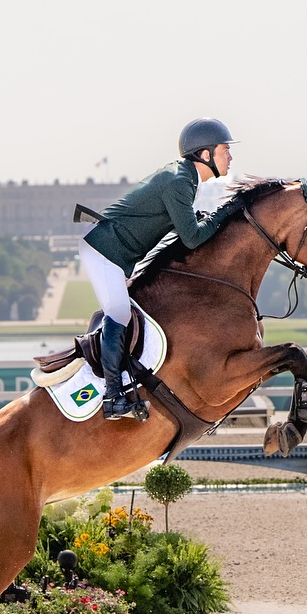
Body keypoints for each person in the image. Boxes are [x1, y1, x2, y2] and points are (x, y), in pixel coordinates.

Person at [79, 117, 240, 420]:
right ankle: (112, 396)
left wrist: (212, 216)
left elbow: (185, 227)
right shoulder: (180, 182)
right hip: (104, 251)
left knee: (122, 312)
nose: (230, 156)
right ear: (205, 154)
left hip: (114, 254)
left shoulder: (185, 179)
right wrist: (222, 215)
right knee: (119, 314)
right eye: (224, 150)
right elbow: (191, 237)